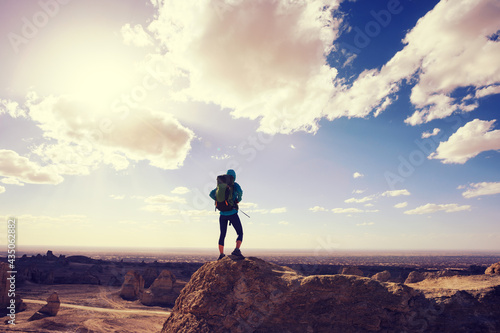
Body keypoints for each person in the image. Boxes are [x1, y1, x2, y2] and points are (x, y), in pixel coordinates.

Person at [209, 169, 244, 260]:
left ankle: (221, 255)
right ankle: (236, 250)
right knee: (240, 232)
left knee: (222, 234)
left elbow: (211, 194)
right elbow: (240, 193)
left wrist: (220, 201)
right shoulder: (234, 185)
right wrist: (237, 200)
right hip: (232, 212)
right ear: (234, 177)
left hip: (222, 214)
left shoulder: (220, 186)